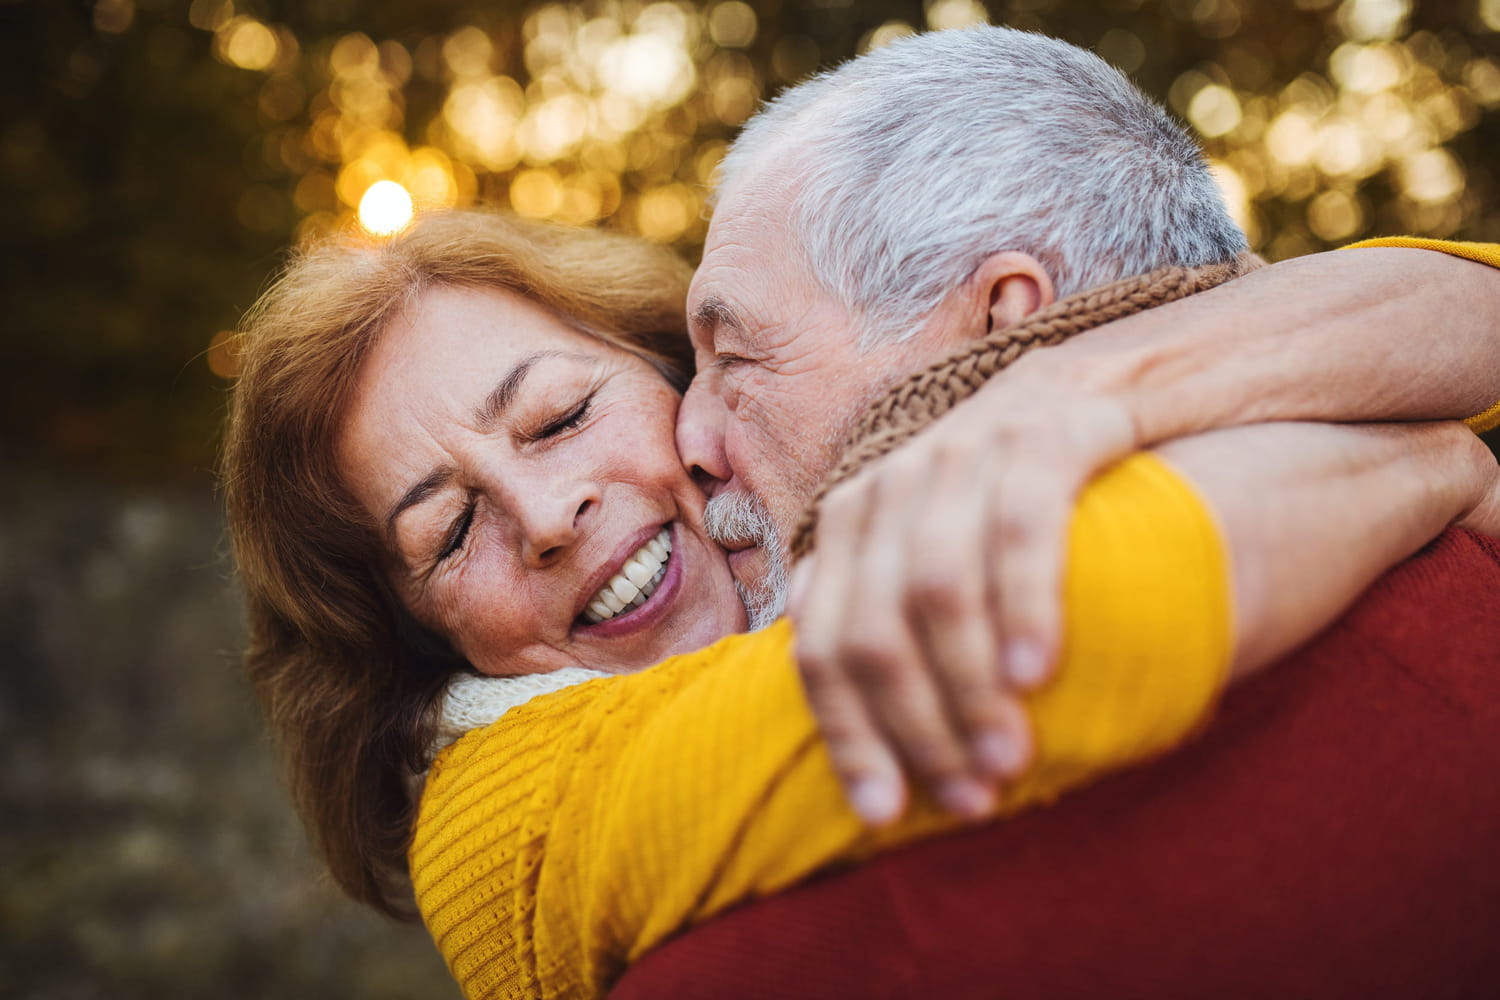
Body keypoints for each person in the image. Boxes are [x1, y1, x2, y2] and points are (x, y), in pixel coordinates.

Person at [217, 28, 1500, 1000]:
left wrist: (1086, 389)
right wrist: (1432, 462)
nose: (550, 513)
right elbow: (1022, 634)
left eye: (562, 417)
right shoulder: (522, 817)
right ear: (410, 634)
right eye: (447, 535)